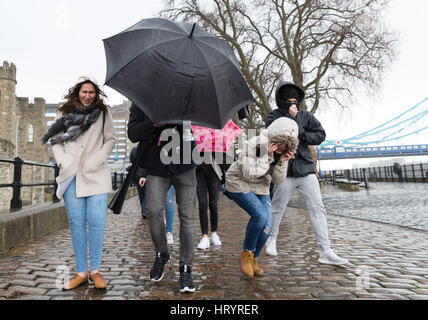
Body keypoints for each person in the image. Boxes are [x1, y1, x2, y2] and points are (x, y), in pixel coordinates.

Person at [42, 76, 116, 289]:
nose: (87, 96)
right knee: (76, 223)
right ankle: (81, 272)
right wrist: (63, 162)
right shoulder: (64, 113)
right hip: (71, 174)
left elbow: (110, 139)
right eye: (84, 92)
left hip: (96, 173)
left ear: (96, 94)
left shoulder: (103, 113)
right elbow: (55, 141)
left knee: (96, 221)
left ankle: (95, 271)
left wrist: (97, 159)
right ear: (77, 92)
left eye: (91, 92)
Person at [264, 81, 349, 266]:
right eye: (289, 101)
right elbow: (275, 134)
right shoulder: (274, 115)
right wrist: (292, 123)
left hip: (306, 168)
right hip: (284, 168)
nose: (293, 104)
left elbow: (320, 135)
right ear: (282, 101)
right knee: (277, 207)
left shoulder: (306, 116)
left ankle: (325, 250)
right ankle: (271, 239)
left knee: (318, 208)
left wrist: (302, 132)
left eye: (295, 100)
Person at [127, 102, 197, 293]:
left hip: (185, 163)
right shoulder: (142, 100)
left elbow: (201, 126)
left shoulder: (188, 95)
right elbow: (133, 133)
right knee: (153, 210)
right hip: (156, 165)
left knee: (187, 217)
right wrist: (153, 124)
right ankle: (162, 253)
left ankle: (186, 268)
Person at [225, 117, 298, 278]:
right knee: (260, 216)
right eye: (281, 142)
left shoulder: (282, 153)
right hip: (239, 182)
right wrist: (267, 157)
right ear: (274, 138)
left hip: (262, 187)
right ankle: (246, 254)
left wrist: (282, 162)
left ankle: (253, 260)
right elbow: (248, 174)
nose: (282, 147)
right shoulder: (253, 144)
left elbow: (278, 181)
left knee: (267, 228)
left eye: (287, 145)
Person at [130, 147, 176, 243]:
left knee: (168, 202)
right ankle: (161, 226)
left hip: (172, 171)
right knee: (155, 205)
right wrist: (144, 175)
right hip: (156, 174)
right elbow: (148, 158)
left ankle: (168, 232)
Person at [195, 154, 222, 250]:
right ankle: (205, 236)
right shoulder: (196, 139)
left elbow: (224, 156)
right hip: (199, 171)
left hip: (214, 171)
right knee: (202, 204)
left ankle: (214, 232)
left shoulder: (217, 140)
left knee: (213, 203)